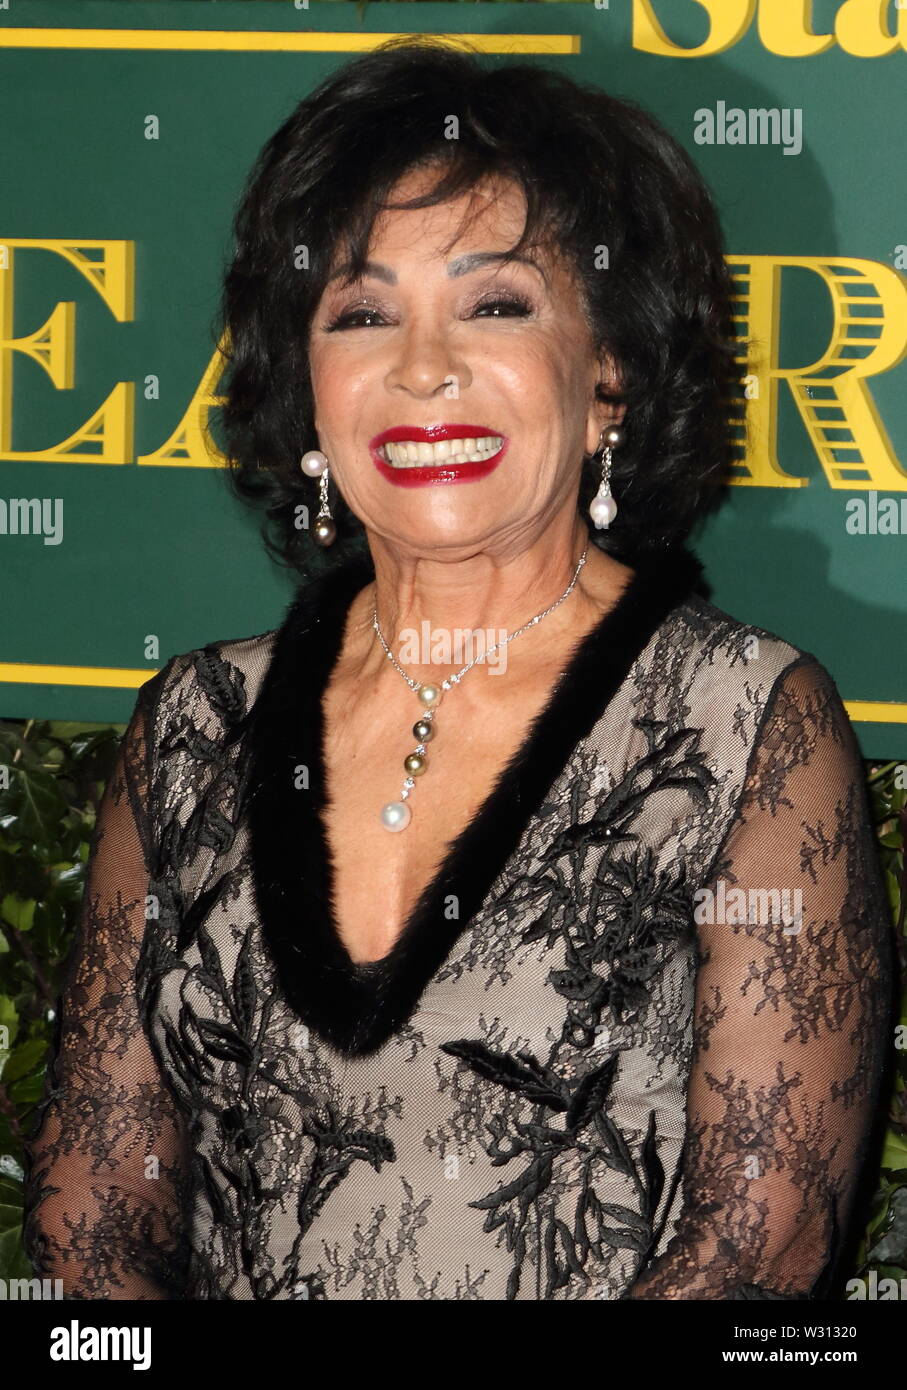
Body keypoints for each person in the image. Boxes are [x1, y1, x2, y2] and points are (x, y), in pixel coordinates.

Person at [22, 36, 894, 1301]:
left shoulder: (738, 722)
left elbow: (758, 1256)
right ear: (308, 394)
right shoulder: (196, 726)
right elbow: (92, 1202)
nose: (420, 369)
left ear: (609, 376)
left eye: (495, 304)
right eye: (361, 313)